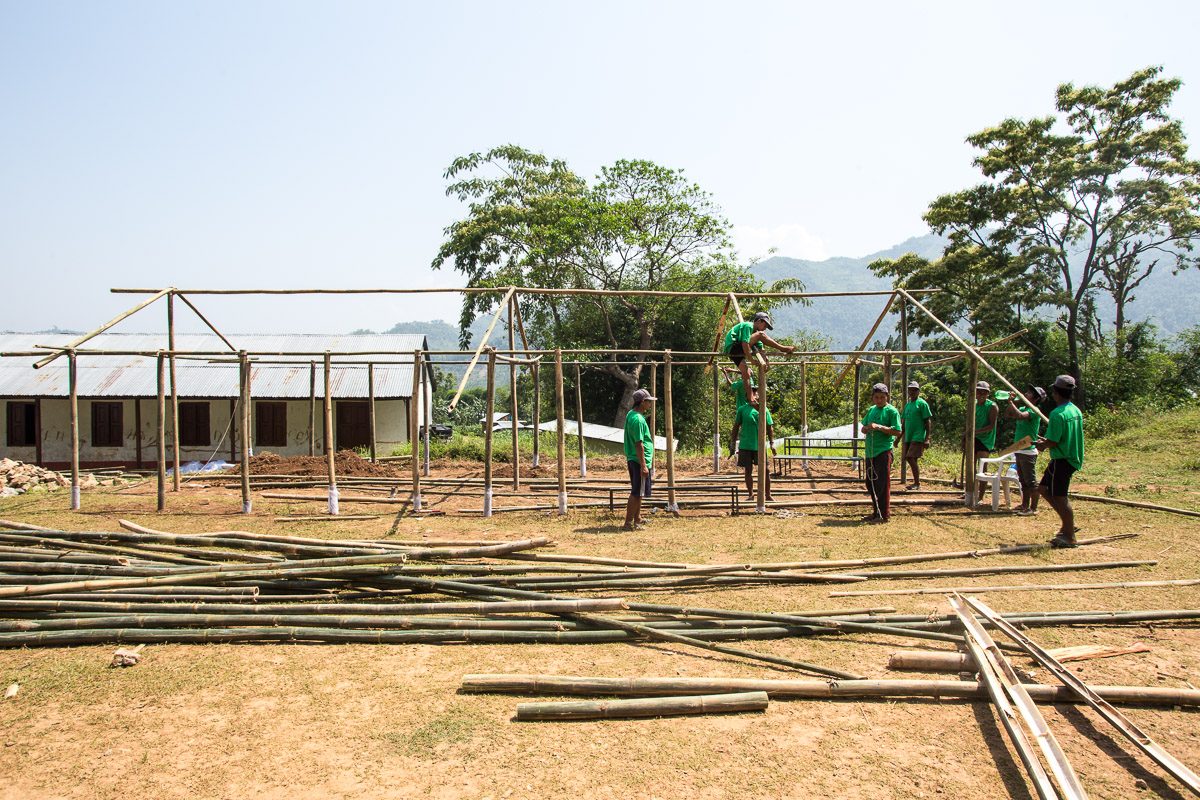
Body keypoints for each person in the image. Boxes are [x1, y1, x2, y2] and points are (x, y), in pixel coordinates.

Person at [1037, 375, 1084, 547]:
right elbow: (1062, 436)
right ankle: (1067, 523)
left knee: (1060, 497)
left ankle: (1070, 536)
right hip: (1069, 457)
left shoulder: (1057, 414)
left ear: (1055, 393)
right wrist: (1046, 441)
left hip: (1062, 459)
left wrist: (1042, 445)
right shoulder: (1075, 410)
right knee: (1043, 489)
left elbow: (1053, 441)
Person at [724, 311, 796, 404]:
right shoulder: (748, 326)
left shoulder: (754, 334)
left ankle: (750, 398)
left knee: (746, 374)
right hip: (734, 345)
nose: (765, 328)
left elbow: (761, 348)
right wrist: (751, 360)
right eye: (765, 325)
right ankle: (782, 348)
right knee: (761, 335)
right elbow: (745, 344)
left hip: (733, 351)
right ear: (759, 321)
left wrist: (766, 361)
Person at [861, 382, 902, 522]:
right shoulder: (871, 410)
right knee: (870, 483)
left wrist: (878, 427)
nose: (879, 400)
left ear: (887, 397)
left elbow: (897, 431)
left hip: (883, 451)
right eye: (876, 397)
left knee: (882, 484)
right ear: (872, 397)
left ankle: (884, 515)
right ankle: (876, 512)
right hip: (870, 452)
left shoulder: (891, 411)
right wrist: (866, 429)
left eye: (882, 397)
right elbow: (864, 427)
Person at [730, 385, 776, 503]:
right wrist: (732, 443)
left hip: (759, 445)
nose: (752, 396)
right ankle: (751, 494)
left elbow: (769, 427)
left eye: (754, 393)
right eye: (749, 394)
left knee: (765, 470)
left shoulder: (763, 409)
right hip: (746, 444)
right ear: (746, 396)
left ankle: (768, 494)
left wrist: (772, 443)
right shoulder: (742, 409)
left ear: (758, 395)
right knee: (748, 470)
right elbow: (736, 427)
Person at [1005, 385, 1046, 516]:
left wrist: (1011, 403)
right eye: (1027, 391)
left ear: (1036, 398)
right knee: (1023, 480)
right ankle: (1024, 505)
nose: (1026, 393)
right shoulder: (1023, 408)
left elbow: (1020, 416)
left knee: (1031, 481)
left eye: (1030, 393)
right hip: (1019, 449)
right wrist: (1013, 403)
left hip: (1028, 451)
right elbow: (1008, 414)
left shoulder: (1034, 410)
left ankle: (1033, 508)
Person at [622, 388, 655, 531]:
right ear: (642, 402)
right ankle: (628, 523)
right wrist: (643, 465)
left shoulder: (632, 414)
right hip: (638, 460)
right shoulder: (638, 420)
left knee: (639, 492)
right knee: (636, 492)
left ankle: (637, 518)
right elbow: (638, 443)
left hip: (635, 459)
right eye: (648, 401)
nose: (650, 404)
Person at [899, 381, 932, 490]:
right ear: (908, 391)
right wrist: (898, 438)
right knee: (911, 458)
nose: (912, 392)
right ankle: (916, 482)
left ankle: (917, 483)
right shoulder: (908, 405)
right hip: (908, 436)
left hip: (918, 436)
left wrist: (927, 438)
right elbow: (904, 424)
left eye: (915, 390)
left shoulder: (922, 404)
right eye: (911, 390)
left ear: (918, 391)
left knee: (910, 457)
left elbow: (927, 421)